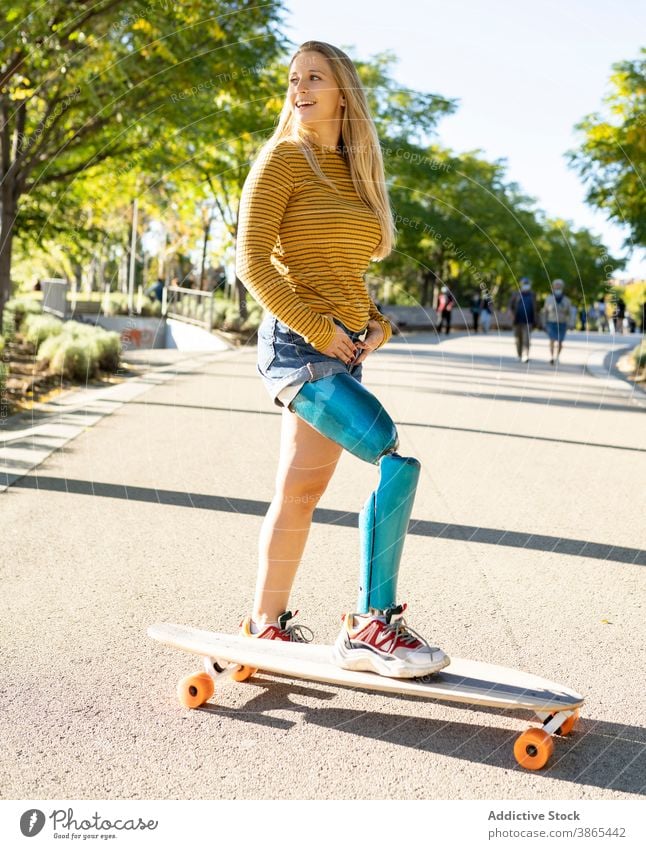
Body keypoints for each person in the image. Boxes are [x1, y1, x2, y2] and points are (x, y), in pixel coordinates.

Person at [235, 40, 449, 678]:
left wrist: (375, 325)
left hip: (343, 347)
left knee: (300, 491)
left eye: (315, 77)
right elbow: (251, 265)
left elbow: (347, 273)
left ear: (342, 91)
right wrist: (316, 329)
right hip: (298, 346)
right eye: (294, 77)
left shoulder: (355, 173)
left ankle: (265, 625)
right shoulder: (281, 160)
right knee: (392, 456)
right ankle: (371, 625)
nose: (300, 87)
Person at [508, 277, 538, 363]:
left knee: (527, 339)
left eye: (527, 283)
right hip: (517, 320)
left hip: (529, 320)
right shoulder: (516, 294)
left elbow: (536, 308)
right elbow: (510, 306)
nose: (526, 285)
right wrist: (510, 313)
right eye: (524, 284)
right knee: (518, 339)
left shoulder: (533, 295)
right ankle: (519, 354)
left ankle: (526, 355)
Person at [542, 279, 572, 365]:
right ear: (553, 287)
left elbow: (570, 313)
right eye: (556, 285)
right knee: (551, 340)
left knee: (560, 341)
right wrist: (544, 323)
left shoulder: (567, 300)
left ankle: (557, 357)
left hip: (562, 323)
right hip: (551, 322)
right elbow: (545, 312)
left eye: (559, 285)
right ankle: (551, 357)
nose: (558, 287)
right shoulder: (549, 299)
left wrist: (570, 323)